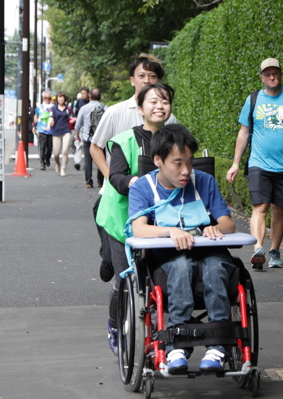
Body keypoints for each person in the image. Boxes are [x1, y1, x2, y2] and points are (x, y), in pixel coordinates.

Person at [128, 123, 236, 373]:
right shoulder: (143, 187)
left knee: (217, 267)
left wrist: (214, 227)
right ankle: (176, 344)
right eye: (178, 163)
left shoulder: (205, 182)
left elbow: (228, 223)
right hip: (167, 258)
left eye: (190, 161)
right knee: (180, 267)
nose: (186, 170)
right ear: (158, 160)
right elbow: (138, 229)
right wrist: (171, 231)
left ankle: (218, 345)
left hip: (209, 252)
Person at [95, 83, 174, 356]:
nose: (159, 106)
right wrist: (132, 182)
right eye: (153, 102)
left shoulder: (175, 139)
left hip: (158, 220)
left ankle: (157, 333)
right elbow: (115, 177)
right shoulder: (125, 140)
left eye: (164, 101)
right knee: (124, 278)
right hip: (121, 221)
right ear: (140, 109)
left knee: (156, 277)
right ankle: (115, 326)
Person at [89, 54, 178, 285]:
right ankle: (108, 257)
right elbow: (96, 148)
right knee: (119, 260)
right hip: (118, 194)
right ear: (132, 80)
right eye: (142, 76)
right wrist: (115, 178)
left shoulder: (169, 117)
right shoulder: (116, 112)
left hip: (156, 199)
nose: (147, 80)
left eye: (153, 76)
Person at [226, 58, 283, 270]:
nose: (272, 77)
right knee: (261, 206)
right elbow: (244, 132)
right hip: (259, 164)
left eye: (275, 73)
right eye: (267, 74)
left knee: (279, 208)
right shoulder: (253, 99)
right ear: (262, 77)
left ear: (281, 74)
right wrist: (235, 163)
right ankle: (258, 249)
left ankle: (274, 250)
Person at [73, 88, 107, 188]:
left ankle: (89, 182)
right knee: (101, 158)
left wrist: (77, 136)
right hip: (101, 137)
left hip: (87, 137)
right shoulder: (105, 108)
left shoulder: (84, 108)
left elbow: (78, 125)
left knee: (88, 160)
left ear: (90, 96)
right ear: (100, 97)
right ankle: (100, 181)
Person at [49, 91, 72, 176]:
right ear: (57, 99)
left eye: (62, 97)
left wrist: (74, 120)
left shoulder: (68, 108)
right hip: (56, 132)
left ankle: (63, 169)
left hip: (66, 131)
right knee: (56, 154)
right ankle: (58, 163)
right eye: (59, 97)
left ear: (64, 99)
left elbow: (72, 117)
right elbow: (51, 118)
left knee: (65, 151)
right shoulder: (53, 108)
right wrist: (50, 124)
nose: (61, 99)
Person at [33, 91, 54, 170]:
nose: (47, 99)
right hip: (41, 129)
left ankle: (47, 158)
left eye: (49, 98)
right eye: (46, 98)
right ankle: (42, 162)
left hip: (51, 130)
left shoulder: (53, 107)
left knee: (49, 148)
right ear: (43, 98)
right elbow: (35, 116)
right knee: (42, 147)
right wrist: (35, 122)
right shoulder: (40, 107)